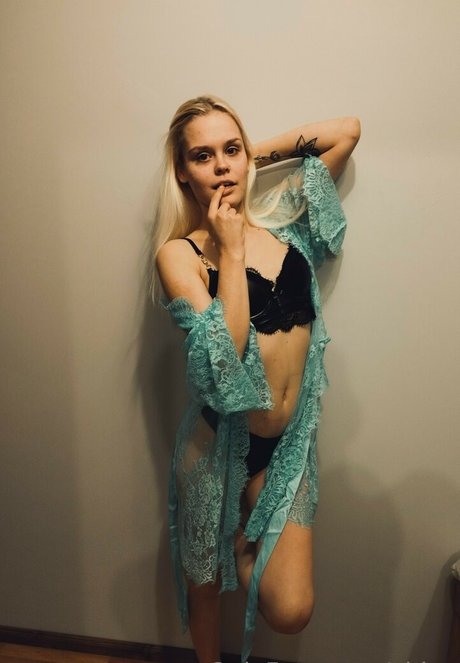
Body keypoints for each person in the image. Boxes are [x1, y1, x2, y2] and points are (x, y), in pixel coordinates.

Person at [153, 95, 360, 663]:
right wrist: (229, 247)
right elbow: (226, 365)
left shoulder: (284, 223)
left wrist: (247, 160)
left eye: (230, 150)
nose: (220, 166)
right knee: (204, 584)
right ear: (181, 171)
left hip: (285, 448)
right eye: (202, 157)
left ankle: (242, 543)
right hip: (217, 442)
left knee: (291, 611)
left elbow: (345, 130)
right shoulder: (179, 255)